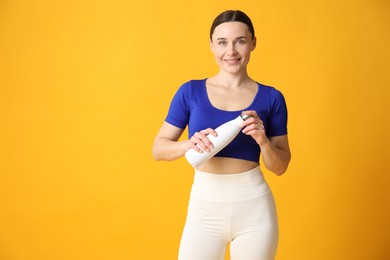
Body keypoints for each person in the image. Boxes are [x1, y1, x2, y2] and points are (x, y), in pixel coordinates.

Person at [152, 10, 291, 260]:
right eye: (222, 42)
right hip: (204, 210)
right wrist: (188, 144)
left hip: (254, 209)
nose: (231, 51)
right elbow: (158, 149)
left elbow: (280, 166)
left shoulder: (272, 98)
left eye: (240, 41)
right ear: (212, 46)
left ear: (253, 43)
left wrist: (263, 141)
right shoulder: (190, 92)